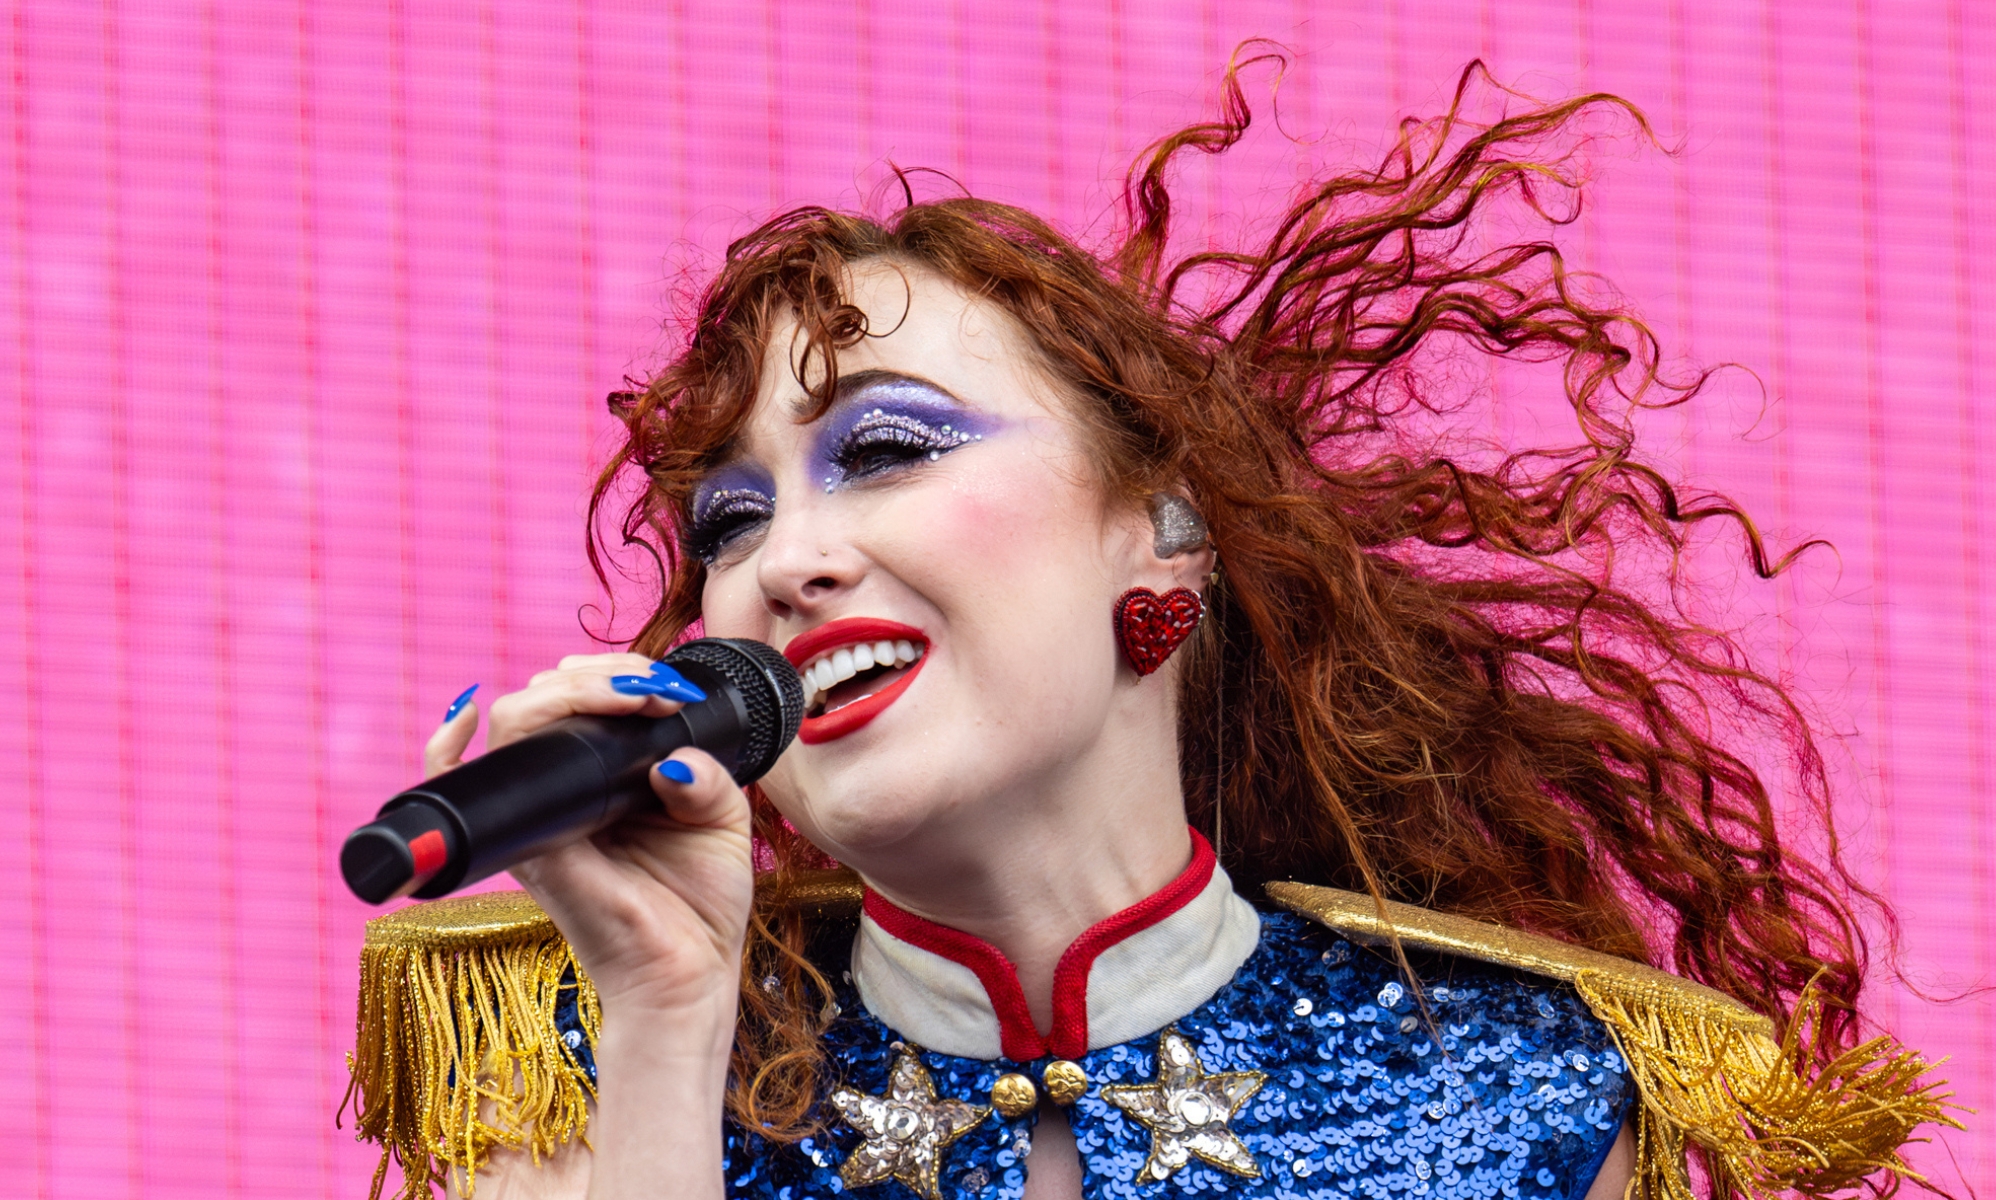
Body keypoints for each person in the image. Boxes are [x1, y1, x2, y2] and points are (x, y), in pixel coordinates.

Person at [343, 61, 1954, 1200]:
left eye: (888, 451)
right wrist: (668, 1025)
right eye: (731, 523)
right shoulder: (570, 1052)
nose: (786, 563)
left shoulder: (1519, 1088)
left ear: (1166, 533)